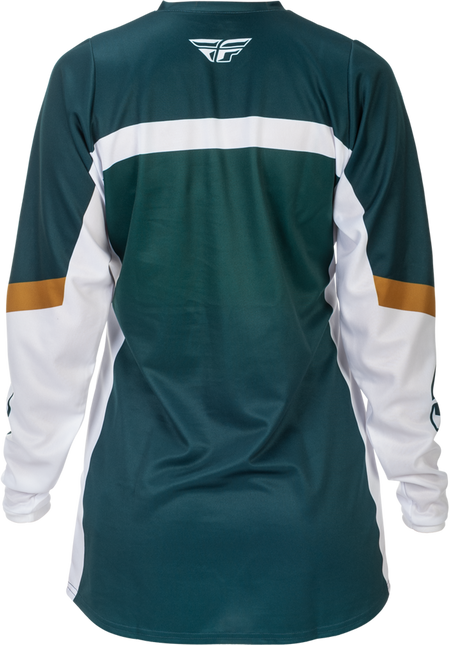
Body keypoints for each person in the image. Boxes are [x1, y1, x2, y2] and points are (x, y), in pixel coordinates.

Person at [1, 1, 447, 644]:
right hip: (315, 529)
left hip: (140, 532)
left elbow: (49, 312)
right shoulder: (353, 73)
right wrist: (421, 486)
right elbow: (394, 309)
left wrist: (26, 484)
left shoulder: (91, 74)